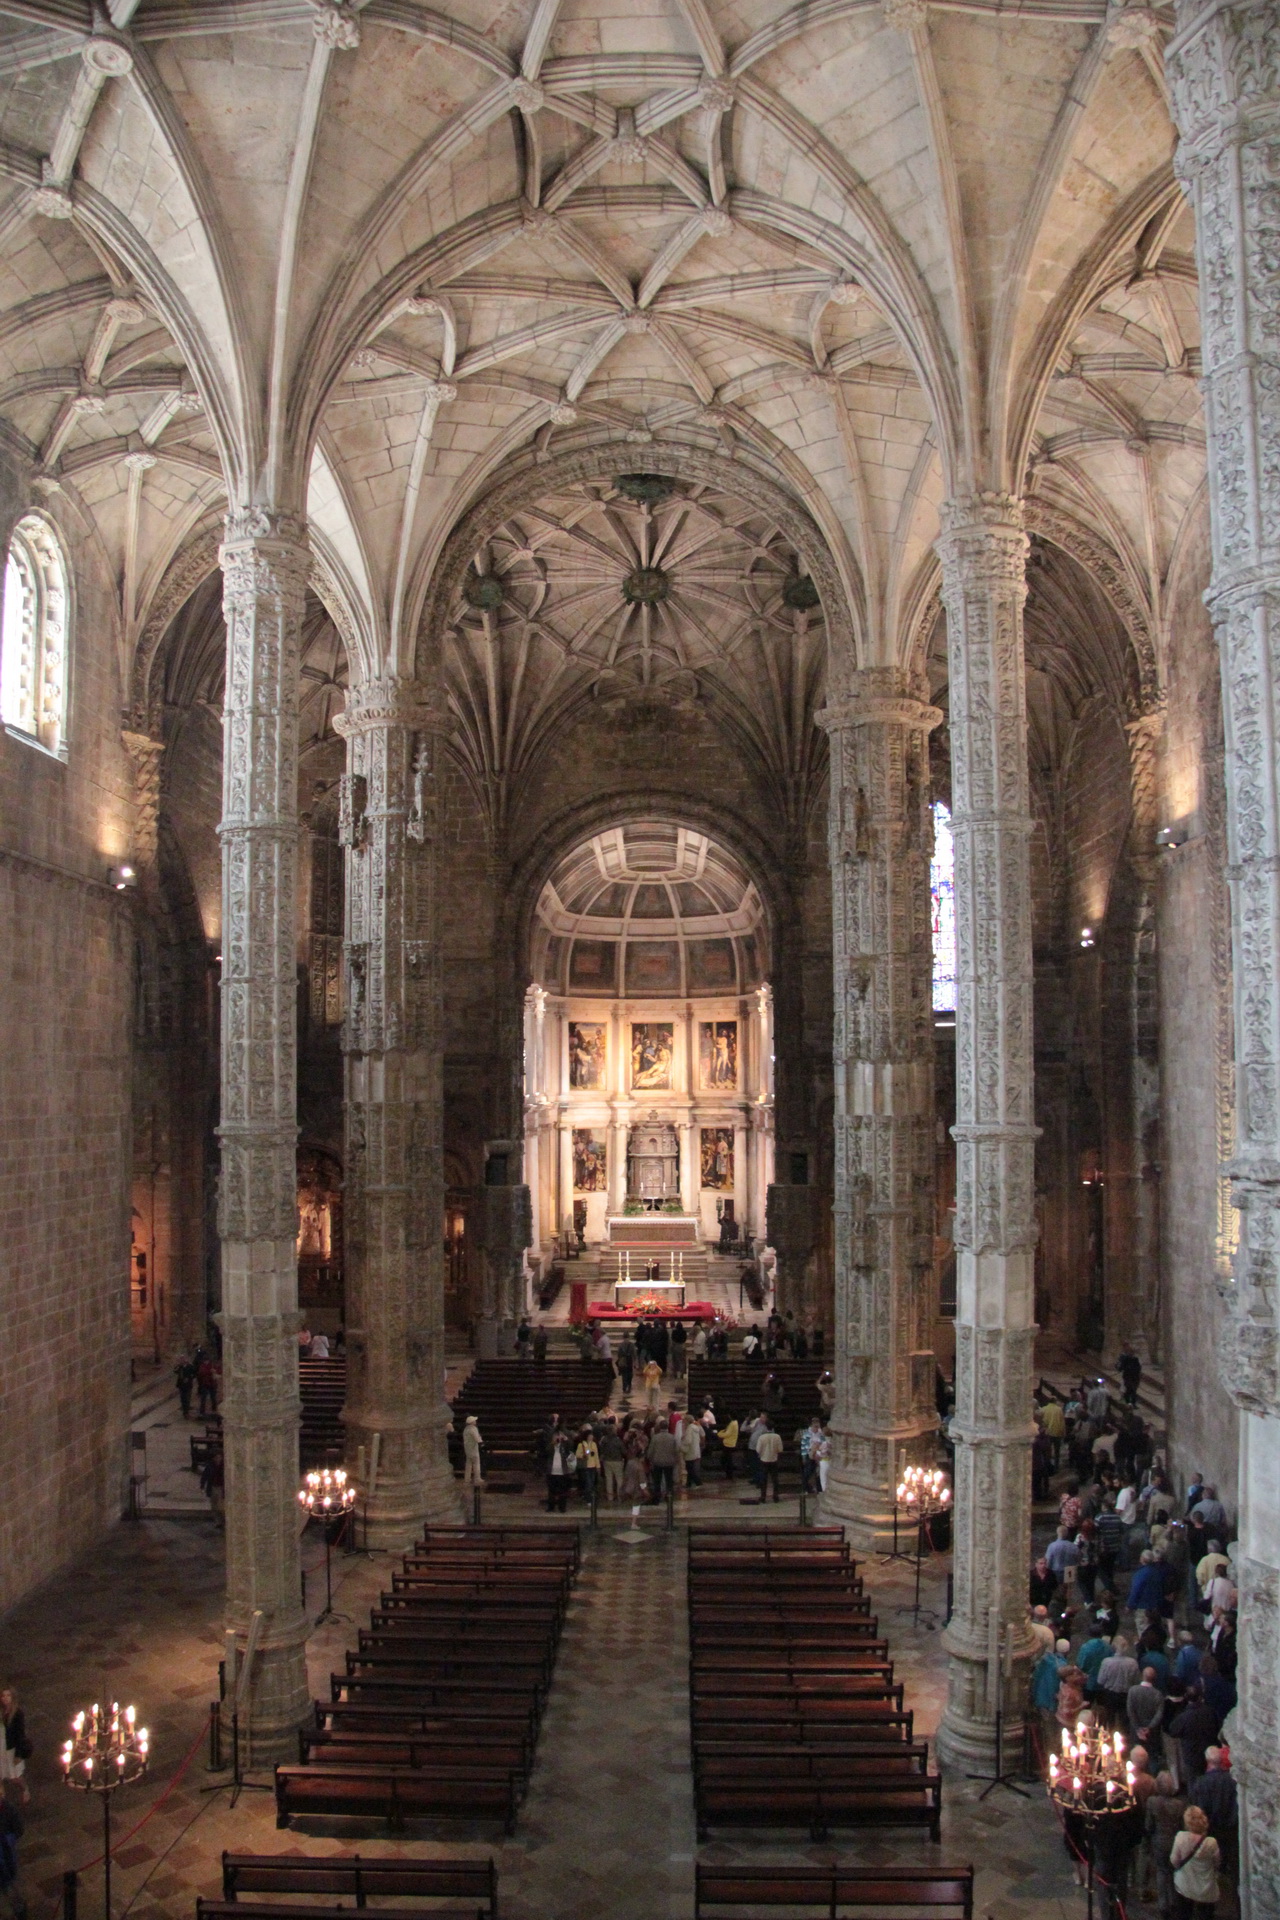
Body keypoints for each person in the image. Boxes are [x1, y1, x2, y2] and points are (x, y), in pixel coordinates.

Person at [1189, 1746, 1237, 1888]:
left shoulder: (1201, 1783)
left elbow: (1199, 1807)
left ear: (1207, 1761)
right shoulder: (1232, 1780)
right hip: (1229, 1826)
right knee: (1228, 1853)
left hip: (1211, 1827)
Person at [1146, 1772, 1188, 1920]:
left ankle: (1163, 1905)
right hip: (1174, 1841)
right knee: (1174, 1871)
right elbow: (1182, 1826)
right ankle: (1174, 1902)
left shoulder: (1152, 1802)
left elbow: (1149, 1825)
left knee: (1162, 1872)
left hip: (1159, 1841)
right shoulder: (1179, 1804)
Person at [1170, 1804, 1220, 1919]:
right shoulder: (1211, 1842)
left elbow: (1174, 1860)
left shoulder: (1180, 1837)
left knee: (1184, 1914)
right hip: (1205, 1887)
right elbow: (1217, 1863)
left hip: (1185, 1884)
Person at [1169, 1687, 1219, 1785]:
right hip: (1208, 1752)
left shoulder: (1184, 1717)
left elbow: (1173, 1730)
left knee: (1193, 1783)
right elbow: (1217, 1727)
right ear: (1200, 1697)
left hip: (1192, 1756)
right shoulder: (1210, 1712)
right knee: (1210, 1782)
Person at [1032, 1637, 1068, 1757]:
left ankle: (1045, 1749)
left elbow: (1036, 1678)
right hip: (1050, 1701)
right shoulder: (1062, 1667)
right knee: (1051, 1729)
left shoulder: (1045, 1661)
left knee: (1044, 1726)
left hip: (1040, 1697)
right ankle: (1050, 1753)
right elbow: (1055, 1687)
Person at [1128, 1666, 1166, 1759]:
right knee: (1152, 1756)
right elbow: (1159, 1714)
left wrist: (1137, 1728)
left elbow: (1130, 1711)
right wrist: (1149, 1727)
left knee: (1136, 1756)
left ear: (1142, 1676)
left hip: (1136, 1730)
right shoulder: (1157, 1694)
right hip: (1152, 1733)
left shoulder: (1133, 1691)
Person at [0, 1696, 29, 1809]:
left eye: (8, 1696)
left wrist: (18, 1754)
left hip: (9, 1749)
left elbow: (20, 1735)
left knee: (14, 1778)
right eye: (3, 1696)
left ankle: (24, 1789)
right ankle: (2, 1801)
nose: (5, 1699)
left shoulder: (16, 1713)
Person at [647, 1421, 678, 1501]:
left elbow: (651, 1450)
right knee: (669, 1480)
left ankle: (657, 1496)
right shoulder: (672, 1437)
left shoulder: (655, 1437)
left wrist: (650, 1458)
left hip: (658, 1461)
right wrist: (675, 1459)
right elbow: (676, 1450)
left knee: (657, 1480)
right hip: (669, 1461)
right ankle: (669, 1496)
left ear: (660, 1427)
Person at [754, 1417, 783, 1502]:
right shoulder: (777, 1437)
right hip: (774, 1459)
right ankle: (775, 1496)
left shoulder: (762, 1437)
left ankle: (763, 1497)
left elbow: (758, 1449)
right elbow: (780, 1449)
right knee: (775, 1479)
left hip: (764, 1460)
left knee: (764, 1479)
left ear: (766, 1427)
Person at [546, 1426, 574, 1512]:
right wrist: (553, 1443)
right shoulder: (551, 1446)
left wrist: (566, 1439)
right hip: (552, 1471)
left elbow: (571, 1447)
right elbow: (547, 1451)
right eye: (556, 1436)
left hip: (562, 1472)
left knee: (563, 1490)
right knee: (551, 1490)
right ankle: (551, 1507)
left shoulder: (564, 1445)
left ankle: (562, 1507)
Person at [599, 1420, 624, 1502]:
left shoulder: (604, 1440)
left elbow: (601, 1449)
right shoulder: (618, 1440)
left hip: (607, 1461)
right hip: (617, 1461)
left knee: (609, 1479)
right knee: (619, 1479)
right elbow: (623, 1450)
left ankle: (610, 1497)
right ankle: (619, 1496)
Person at [575, 1426, 600, 1504]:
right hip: (586, 1466)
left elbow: (596, 1455)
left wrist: (598, 1466)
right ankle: (588, 1499)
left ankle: (591, 1498)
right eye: (590, 1436)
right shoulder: (581, 1444)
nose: (591, 1437)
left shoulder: (594, 1444)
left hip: (593, 1466)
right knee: (588, 1483)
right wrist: (584, 1454)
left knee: (592, 1483)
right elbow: (577, 1454)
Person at [679, 1410, 703, 1487]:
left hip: (690, 1452)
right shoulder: (696, 1428)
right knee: (691, 1468)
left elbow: (688, 1441)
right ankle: (688, 1484)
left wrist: (682, 1445)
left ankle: (698, 1482)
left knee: (690, 1469)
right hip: (695, 1450)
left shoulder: (689, 1428)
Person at [462, 1414, 484, 1488]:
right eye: (474, 1420)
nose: (475, 1421)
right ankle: (477, 1478)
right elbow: (477, 1438)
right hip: (473, 1449)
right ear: (472, 1422)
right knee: (476, 1464)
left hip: (467, 1449)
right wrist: (481, 1442)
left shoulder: (466, 1429)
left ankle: (467, 1479)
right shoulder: (473, 1429)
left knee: (468, 1464)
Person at [716, 1413, 739, 1478]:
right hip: (729, 1443)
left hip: (728, 1444)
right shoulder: (734, 1423)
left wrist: (719, 1434)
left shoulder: (732, 1424)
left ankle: (729, 1474)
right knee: (728, 1460)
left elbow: (727, 1434)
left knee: (726, 1460)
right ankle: (729, 1474)